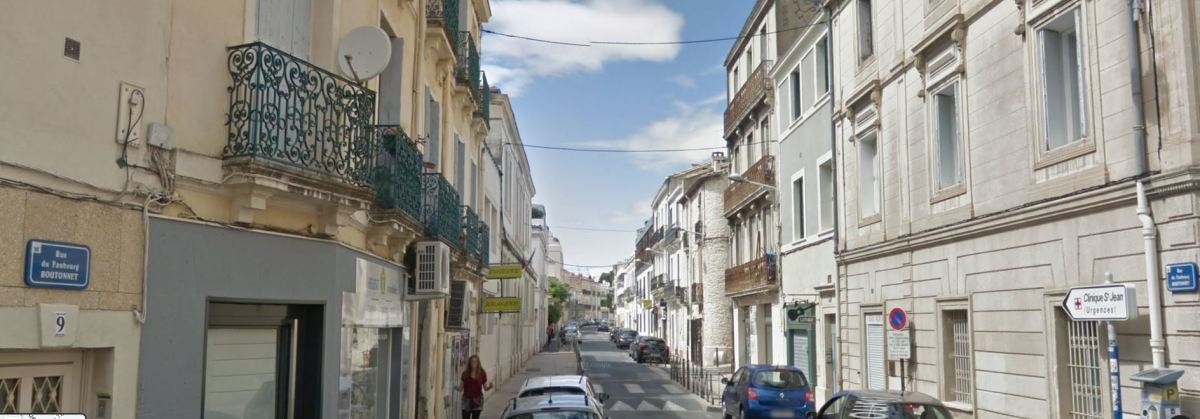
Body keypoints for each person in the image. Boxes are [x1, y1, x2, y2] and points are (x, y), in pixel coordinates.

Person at [455, 354, 492, 419]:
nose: (474, 363)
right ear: (469, 363)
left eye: (475, 361)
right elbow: (461, 388)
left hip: (477, 400)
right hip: (466, 401)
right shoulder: (465, 373)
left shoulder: (482, 373)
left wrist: (490, 386)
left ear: (478, 363)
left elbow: (485, 388)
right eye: (472, 361)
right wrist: (455, 387)